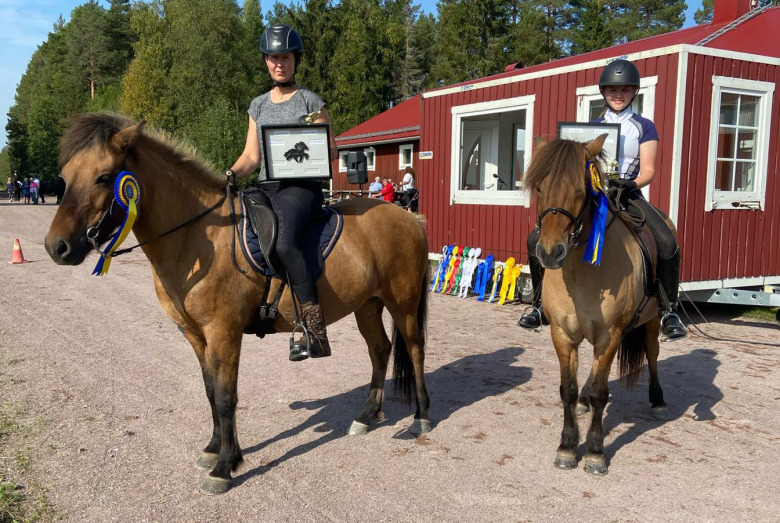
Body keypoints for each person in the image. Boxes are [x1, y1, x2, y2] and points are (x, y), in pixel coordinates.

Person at [517, 59, 687, 341]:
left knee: (666, 240)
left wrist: (630, 182)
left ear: (634, 91)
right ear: (603, 92)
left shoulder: (644, 127)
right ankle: (538, 306)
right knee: (535, 240)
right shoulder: (589, 128)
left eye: (624, 89)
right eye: (612, 90)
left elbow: (649, 171)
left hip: (628, 194)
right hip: (594, 195)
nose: (617, 95)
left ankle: (669, 309)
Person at [227, 24, 334, 362]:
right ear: (266, 62)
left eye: (285, 57)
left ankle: (313, 327)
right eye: (273, 58)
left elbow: (330, 151)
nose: (279, 64)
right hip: (267, 187)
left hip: (302, 188)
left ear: (295, 60)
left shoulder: (311, 101)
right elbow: (251, 157)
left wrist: (312, 152)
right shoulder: (257, 106)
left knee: (285, 240)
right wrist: (229, 174)